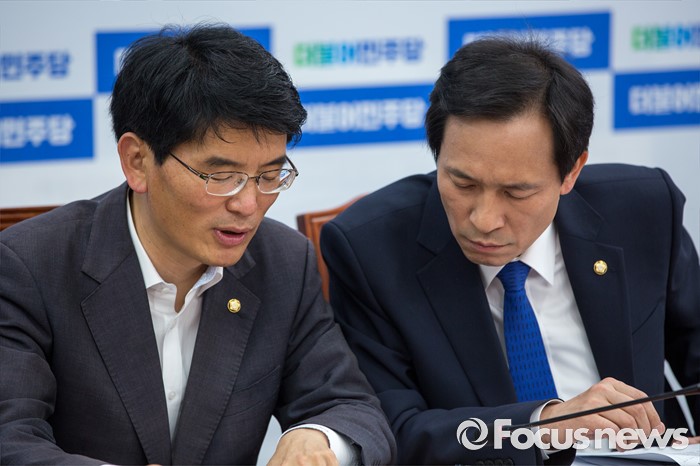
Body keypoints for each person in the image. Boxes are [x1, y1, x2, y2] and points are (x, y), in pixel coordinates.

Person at [0, 23, 395, 465]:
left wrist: (318, 437)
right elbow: (10, 439)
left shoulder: (283, 261)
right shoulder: (30, 265)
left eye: (270, 175)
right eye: (221, 176)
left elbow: (351, 406)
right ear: (138, 161)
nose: (248, 205)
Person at [320, 36, 700, 465]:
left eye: (516, 192)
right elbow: (392, 433)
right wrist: (544, 426)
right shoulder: (370, 249)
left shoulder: (644, 210)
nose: (484, 219)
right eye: (462, 183)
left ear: (571, 172)